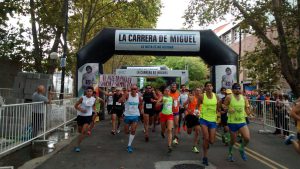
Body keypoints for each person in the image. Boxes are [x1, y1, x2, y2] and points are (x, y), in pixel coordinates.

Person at [224, 83, 251, 162]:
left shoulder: (244, 98)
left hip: (242, 121)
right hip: (232, 122)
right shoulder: (229, 97)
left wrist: (250, 113)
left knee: (247, 138)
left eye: (239, 88)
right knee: (233, 141)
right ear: (233, 90)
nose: (238, 90)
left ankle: (241, 148)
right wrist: (228, 109)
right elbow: (224, 106)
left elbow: (247, 109)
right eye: (236, 88)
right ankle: (230, 153)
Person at [198, 81, 221, 166]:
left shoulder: (216, 96)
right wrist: (197, 113)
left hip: (213, 120)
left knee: (211, 141)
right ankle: (205, 157)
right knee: (206, 138)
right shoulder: (202, 96)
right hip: (203, 119)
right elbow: (197, 106)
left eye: (211, 86)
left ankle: (205, 143)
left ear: (212, 88)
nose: (209, 87)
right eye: (207, 86)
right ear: (205, 88)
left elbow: (218, 109)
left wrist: (222, 112)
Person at [118, 85, 143, 153]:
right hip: (127, 115)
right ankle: (128, 129)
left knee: (133, 130)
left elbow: (140, 104)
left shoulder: (139, 96)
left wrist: (140, 113)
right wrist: (122, 98)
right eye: (132, 89)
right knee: (126, 132)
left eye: (135, 89)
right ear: (130, 89)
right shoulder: (127, 95)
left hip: (135, 115)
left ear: (137, 89)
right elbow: (119, 101)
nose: (133, 90)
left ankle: (129, 145)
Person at [74, 86, 96, 152]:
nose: (89, 92)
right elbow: (75, 106)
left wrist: (95, 111)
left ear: (92, 92)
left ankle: (77, 146)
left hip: (88, 117)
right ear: (86, 92)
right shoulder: (82, 98)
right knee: (80, 131)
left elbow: (93, 107)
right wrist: (81, 109)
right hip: (80, 116)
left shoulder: (94, 99)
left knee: (83, 131)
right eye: (88, 91)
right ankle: (80, 137)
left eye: (90, 91)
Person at [157, 86, 174, 154]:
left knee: (169, 130)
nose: (167, 92)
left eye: (168, 91)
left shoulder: (171, 98)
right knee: (163, 129)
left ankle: (169, 145)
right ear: (164, 92)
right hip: (163, 115)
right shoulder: (162, 97)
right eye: (166, 91)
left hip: (170, 115)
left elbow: (172, 106)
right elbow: (157, 104)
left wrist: (172, 110)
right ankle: (162, 132)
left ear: (170, 92)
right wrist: (162, 102)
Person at [184, 88, 201, 153]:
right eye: (197, 90)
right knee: (189, 132)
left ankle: (194, 146)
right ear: (194, 92)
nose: (198, 92)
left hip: (198, 117)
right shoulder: (191, 98)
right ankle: (190, 126)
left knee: (197, 131)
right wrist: (188, 111)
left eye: (199, 90)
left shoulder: (202, 98)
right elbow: (184, 105)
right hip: (191, 116)